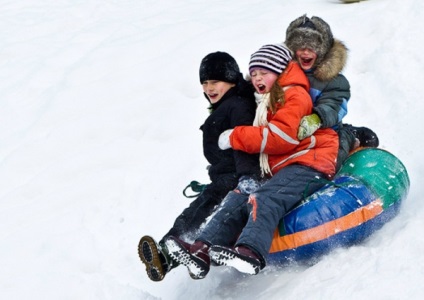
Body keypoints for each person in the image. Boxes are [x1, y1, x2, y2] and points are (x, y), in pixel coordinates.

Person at [164, 44, 339, 279]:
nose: (257, 78)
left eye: (263, 72)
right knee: (237, 197)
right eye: (254, 73)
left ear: (279, 71)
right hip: (282, 166)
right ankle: (201, 250)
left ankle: (251, 252)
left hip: (309, 162)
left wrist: (237, 136)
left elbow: (283, 137)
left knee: (263, 197)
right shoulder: (264, 102)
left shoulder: (293, 94)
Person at [138, 51, 261, 281]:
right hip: (225, 177)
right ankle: (167, 253)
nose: (209, 88)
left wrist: (246, 177)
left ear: (232, 80)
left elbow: (244, 142)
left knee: (201, 213)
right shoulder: (228, 105)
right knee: (195, 212)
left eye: (215, 81)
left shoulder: (238, 107)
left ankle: (179, 253)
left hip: (234, 178)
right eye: (204, 82)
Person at [285, 15, 379, 170]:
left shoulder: (334, 81)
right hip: (288, 131)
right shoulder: (279, 73)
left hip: (326, 131)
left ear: (322, 50)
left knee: (331, 157)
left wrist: (317, 118)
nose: (306, 52)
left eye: (312, 48)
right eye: (300, 47)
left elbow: (334, 105)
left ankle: (350, 136)